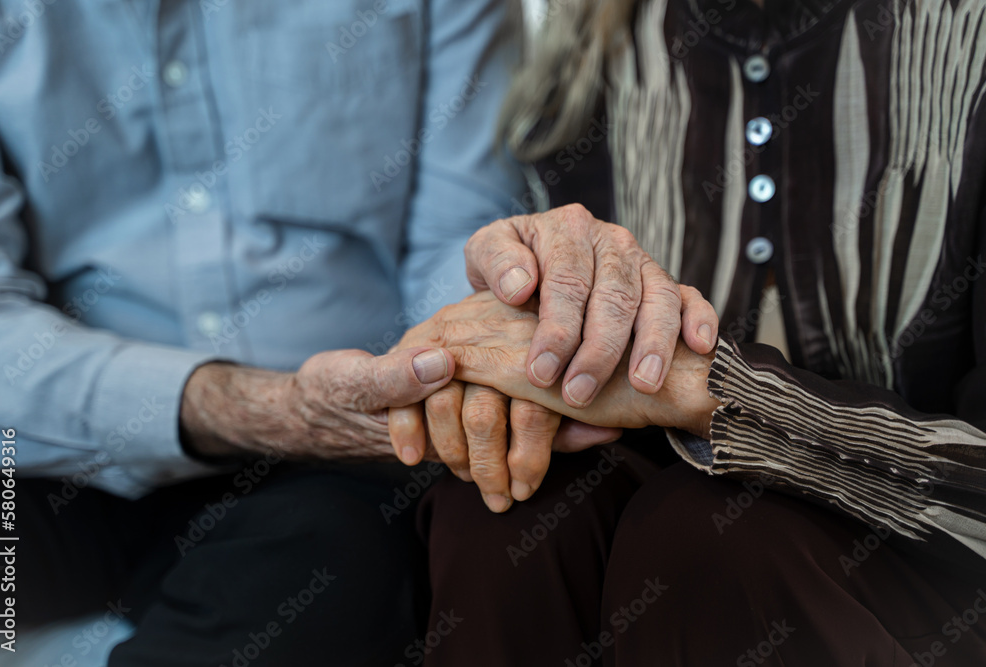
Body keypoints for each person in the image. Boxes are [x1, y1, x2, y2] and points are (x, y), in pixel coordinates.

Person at [0, 1, 721, 664]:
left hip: (344, 456)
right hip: (41, 451)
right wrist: (260, 408)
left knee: (333, 566)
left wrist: (479, 357)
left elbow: (454, 242)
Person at [397, 0, 986, 664]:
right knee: (504, 515)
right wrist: (512, 359)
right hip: (661, 511)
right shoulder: (598, 46)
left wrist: (711, 391)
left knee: (708, 541)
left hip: (936, 559)